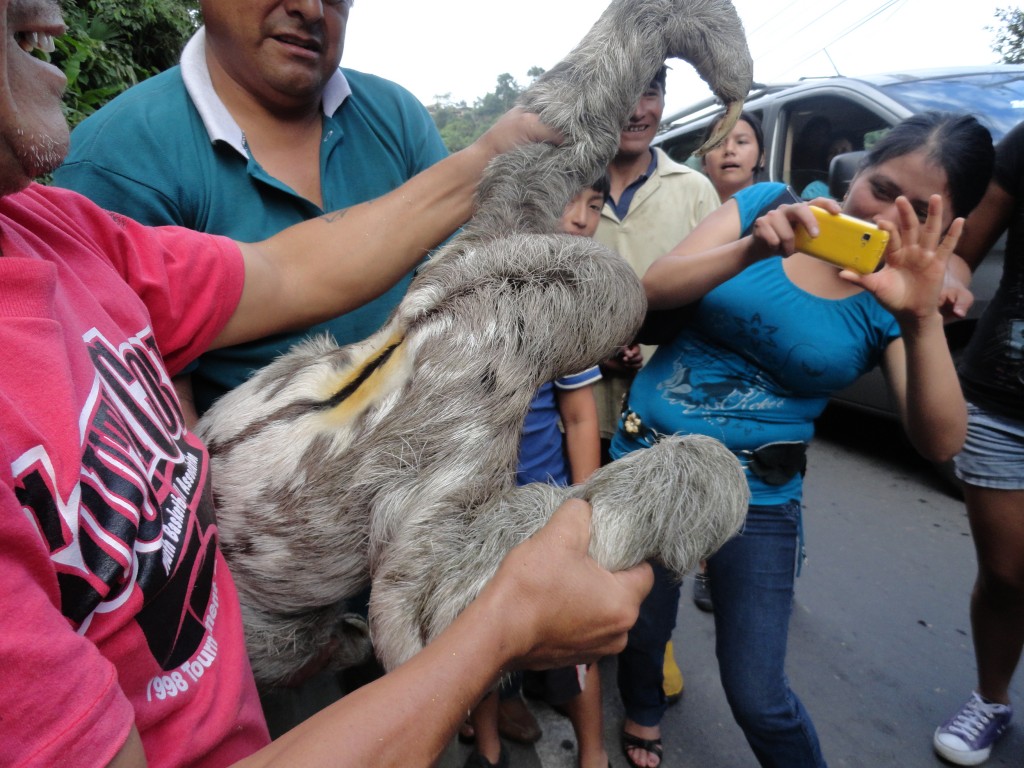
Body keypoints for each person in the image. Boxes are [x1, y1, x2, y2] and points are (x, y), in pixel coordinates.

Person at [0, 2, 654, 765]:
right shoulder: (115, 157)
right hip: (264, 598)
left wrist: (504, 149)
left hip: (325, 571)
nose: (313, 8)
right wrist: (498, 631)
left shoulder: (50, 226)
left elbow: (289, 270)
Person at [611, 111, 994, 768]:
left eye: (921, 210)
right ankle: (642, 709)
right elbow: (654, 286)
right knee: (641, 626)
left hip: (758, 497)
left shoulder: (897, 299)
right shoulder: (768, 205)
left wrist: (919, 318)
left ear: (949, 225)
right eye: (881, 187)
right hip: (649, 461)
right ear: (854, 174)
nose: (887, 215)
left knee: (759, 694)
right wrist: (753, 248)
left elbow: (940, 442)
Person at [53, 0, 449, 427]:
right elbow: (155, 432)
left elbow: (466, 297)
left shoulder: (397, 117)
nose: (311, 10)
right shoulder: (121, 157)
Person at [463, 177, 611, 768]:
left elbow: (579, 419)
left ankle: (593, 754)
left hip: (545, 507)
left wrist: (584, 509)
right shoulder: (474, 296)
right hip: (476, 510)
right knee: (477, 629)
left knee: (571, 643)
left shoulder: (571, 312)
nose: (579, 219)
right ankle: (490, 747)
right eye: (565, 201)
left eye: (595, 206)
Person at [592, 62, 720, 713]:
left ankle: (652, 643)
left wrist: (651, 342)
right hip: (579, 407)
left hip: (667, 408)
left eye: (651, 91)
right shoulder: (567, 185)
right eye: (623, 90)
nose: (637, 108)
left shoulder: (694, 192)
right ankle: (579, 648)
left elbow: (715, 300)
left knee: (658, 543)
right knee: (584, 529)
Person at [931, 118, 1024, 766]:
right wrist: (948, 276)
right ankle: (991, 700)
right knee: (1006, 575)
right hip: (1002, 399)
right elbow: (964, 247)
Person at [690, 109, 767, 614]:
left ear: (758, 152)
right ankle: (703, 563)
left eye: (742, 139)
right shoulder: (692, 214)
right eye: (720, 141)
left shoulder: (783, 212)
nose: (731, 149)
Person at [700, 110, 765, 203]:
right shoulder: (691, 213)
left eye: (741, 142)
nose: (729, 150)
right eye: (717, 144)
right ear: (704, 162)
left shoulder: (778, 212)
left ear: (762, 158)